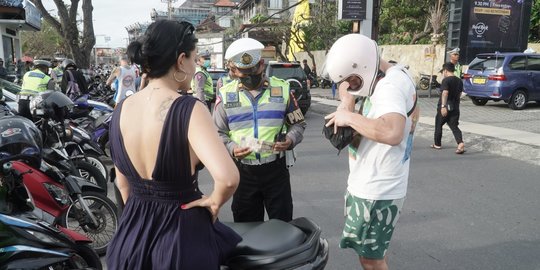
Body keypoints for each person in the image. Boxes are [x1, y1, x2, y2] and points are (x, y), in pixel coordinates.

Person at [106, 20, 241, 269]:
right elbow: (228, 178)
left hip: (130, 240)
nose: (194, 66)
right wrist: (213, 202)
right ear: (181, 60)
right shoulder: (190, 108)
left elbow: (122, 185)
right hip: (179, 241)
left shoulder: (121, 109)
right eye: (194, 58)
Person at [323, 34, 419, 270]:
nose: (350, 85)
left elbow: (393, 132)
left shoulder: (389, 87)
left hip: (377, 189)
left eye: (352, 79)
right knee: (374, 255)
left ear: (363, 66)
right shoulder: (395, 75)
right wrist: (348, 102)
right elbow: (412, 117)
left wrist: (349, 116)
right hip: (375, 184)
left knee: (370, 260)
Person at [213, 37, 306, 223]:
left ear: (261, 65)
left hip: (276, 171)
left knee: (282, 227)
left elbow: (298, 124)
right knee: (247, 228)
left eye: (251, 71)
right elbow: (217, 133)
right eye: (242, 73)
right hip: (242, 172)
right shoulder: (225, 95)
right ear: (234, 71)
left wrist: (290, 140)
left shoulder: (283, 89)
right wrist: (231, 148)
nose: (247, 77)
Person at [432, 62, 465, 154]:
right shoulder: (459, 81)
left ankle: (437, 144)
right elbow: (459, 94)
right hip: (455, 107)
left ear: (445, 70)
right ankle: (460, 143)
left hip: (445, 106)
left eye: (443, 72)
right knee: (454, 126)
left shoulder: (446, 80)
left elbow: (445, 93)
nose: (443, 73)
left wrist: (443, 106)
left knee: (439, 124)